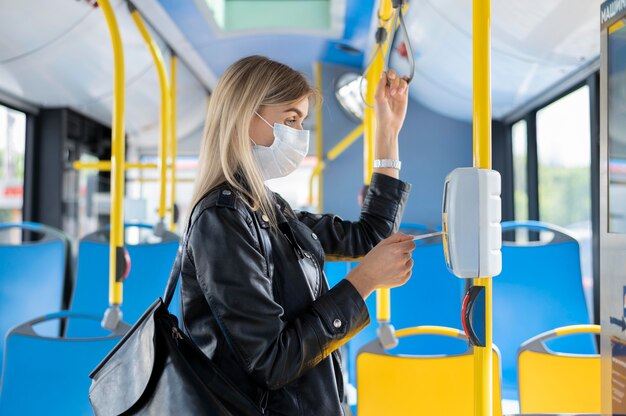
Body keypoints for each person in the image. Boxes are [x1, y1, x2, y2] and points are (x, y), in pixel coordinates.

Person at [181, 55, 415, 415]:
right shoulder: (221, 219)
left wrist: (388, 133)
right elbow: (271, 363)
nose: (299, 134)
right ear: (244, 116)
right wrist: (363, 281)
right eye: (290, 119)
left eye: (302, 121)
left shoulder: (267, 208)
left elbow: (369, 238)